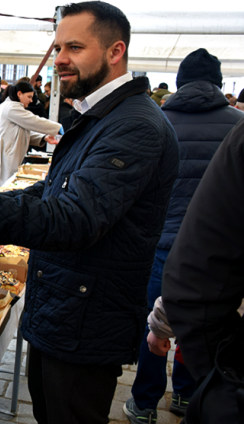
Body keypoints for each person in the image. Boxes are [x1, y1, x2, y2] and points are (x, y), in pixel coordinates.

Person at [0, 2, 179, 423]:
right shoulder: (100, 116)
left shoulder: (133, 125)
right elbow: (52, 189)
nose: (60, 59)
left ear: (115, 51)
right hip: (63, 310)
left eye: (75, 47)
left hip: (86, 322)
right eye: (58, 46)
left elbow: (74, 219)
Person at [123, 47, 243, 424]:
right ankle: (191, 395)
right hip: (218, 255)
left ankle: (143, 403)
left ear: (179, 82)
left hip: (160, 242)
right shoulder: (236, 125)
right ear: (220, 83)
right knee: (205, 325)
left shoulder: (158, 120)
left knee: (154, 327)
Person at [163, 119, 244, 424]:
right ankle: (185, 392)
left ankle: (144, 401)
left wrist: (220, 374)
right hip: (199, 245)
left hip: (178, 239)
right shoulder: (233, 123)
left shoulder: (164, 118)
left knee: (158, 334)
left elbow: (191, 288)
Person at [0, 80, 61, 189]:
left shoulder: (13, 108)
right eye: (29, 97)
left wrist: (44, 137)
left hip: (3, 159)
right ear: (19, 94)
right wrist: (58, 128)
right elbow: (34, 121)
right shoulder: (11, 108)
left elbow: (22, 132)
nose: (30, 100)